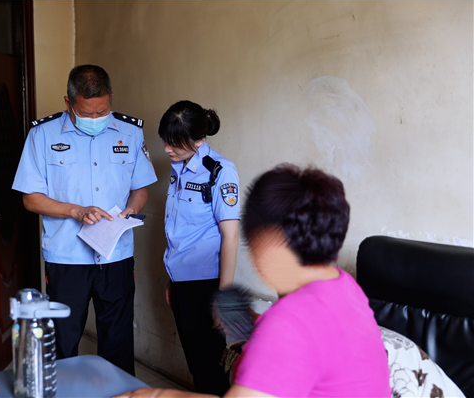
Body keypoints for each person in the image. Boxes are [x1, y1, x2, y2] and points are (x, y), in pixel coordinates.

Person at [114, 164, 391, 398]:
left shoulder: (288, 324)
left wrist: (153, 395)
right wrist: (251, 323)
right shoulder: (345, 287)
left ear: (270, 243)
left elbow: (293, 333)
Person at [12, 64, 157, 376]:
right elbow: (30, 198)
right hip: (67, 259)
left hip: (116, 256)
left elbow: (140, 189)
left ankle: (119, 395)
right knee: (63, 344)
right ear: (69, 102)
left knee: (118, 343)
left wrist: (130, 210)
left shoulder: (131, 133)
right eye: (86, 112)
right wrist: (76, 211)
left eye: (102, 111)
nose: (95, 118)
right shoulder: (42, 135)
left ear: (111, 98)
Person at [158, 100, 240, 395]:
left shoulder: (219, 171)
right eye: (166, 141)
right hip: (182, 282)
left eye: (175, 143)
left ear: (199, 139)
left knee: (210, 370)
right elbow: (181, 231)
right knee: (196, 364)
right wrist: (173, 281)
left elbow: (230, 236)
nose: (167, 149)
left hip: (206, 285)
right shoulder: (178, 168)